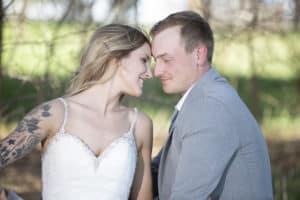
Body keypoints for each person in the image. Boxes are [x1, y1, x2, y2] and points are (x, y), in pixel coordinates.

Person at [0, 24, 153, 200]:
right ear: (116, 57)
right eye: (144, 60)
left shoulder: (140, 124)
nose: (149, 73)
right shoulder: (54, 114)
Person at [150, 11, 273, 200]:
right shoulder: (201, 98)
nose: (157, 71)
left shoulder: (209, 106)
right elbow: (161, 171)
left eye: (166, 60)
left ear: (198, 54)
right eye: (155, 60)